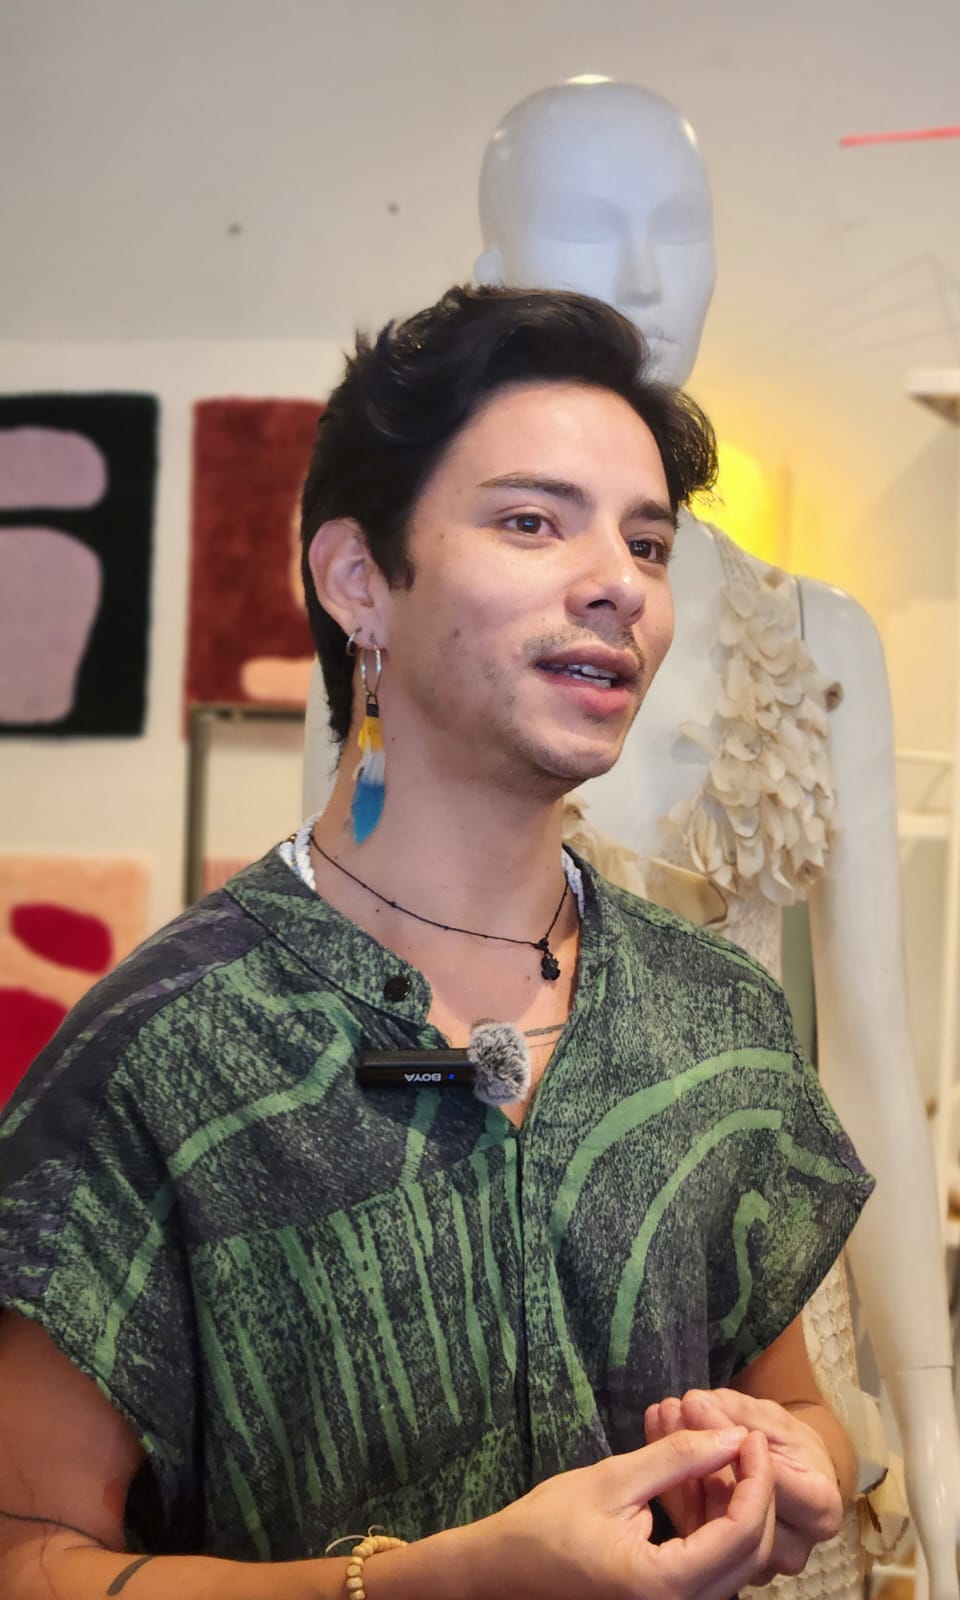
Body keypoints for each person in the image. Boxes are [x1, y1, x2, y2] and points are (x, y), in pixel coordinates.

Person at [0, 285, 876, 1600]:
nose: (617, 585)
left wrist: (797, 1465)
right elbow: (28, 1558)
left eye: (646, 544)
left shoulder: (714, 1018)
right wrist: (440, 1579)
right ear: (359, 579)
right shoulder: (164, 1055)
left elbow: (797, 1404)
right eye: (532, 521)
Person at [468, 79, 960, 1600]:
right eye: (592, 225)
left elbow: (870, 1064)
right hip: (488, 1300)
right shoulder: (416, 627)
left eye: (681, 228)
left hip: (766, 1348)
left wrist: (932, 1423)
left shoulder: (816, 642)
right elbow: (338, 984)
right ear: (493, 264)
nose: (646, 278)